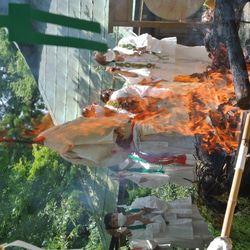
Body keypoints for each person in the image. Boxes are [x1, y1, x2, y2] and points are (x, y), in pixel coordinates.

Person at [104, 196, 213, 249]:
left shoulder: (135, 205)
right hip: (175, 228)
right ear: (117, 226)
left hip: (176, 211)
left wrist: (145, 213)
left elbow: (157, 202)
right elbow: (157, 230)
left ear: (116, 213)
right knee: (205, 229)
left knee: (207, 213)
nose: (116, 219)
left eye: (114, 216)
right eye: (114, 222)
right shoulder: (136, 233)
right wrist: (140, 217)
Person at [94, 33, 211, 83]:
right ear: (107, 62)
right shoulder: (121, 69)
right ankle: (216, 68)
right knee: (192, 69)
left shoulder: (124, 43)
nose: (107, 55)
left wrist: (137, 51)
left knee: (192, 52)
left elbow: (145, 38)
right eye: (104, 58)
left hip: (164, 51)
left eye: (105, 52)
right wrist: (119, 71)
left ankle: (217, 55)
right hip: (162, 68)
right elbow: (137, 77)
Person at [109, 153, 196, 187]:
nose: (120, 163)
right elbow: (150, 183)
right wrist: (129, 176)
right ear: (119, 169)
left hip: (175, 159)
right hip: (172, 173)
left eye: (117, 161)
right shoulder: (134, 174)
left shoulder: (137, 153)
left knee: (197, 161)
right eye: (117, 166)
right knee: (197, 175)